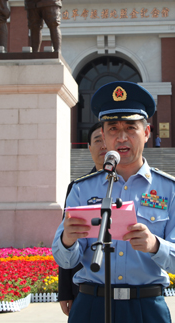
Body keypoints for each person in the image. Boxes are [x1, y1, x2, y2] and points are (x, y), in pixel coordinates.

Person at [53, 81, 175, 323]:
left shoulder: (170, 189)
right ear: (104, 137)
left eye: (131, 127)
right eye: (113, 129)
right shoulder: (82, 189)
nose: (122, 137)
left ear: (147, 132)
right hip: (91, 305)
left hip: (146, 307)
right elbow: (65, 260)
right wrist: (68, 240)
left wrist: (154, 245)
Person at [58, 121, 106, 316]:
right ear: (89, 147)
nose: (103, 146)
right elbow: (67, 237)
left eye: (106, 140)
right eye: (97, 140)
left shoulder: (131, 186)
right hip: (85, 290)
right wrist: (64, 291)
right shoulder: (77, 188)